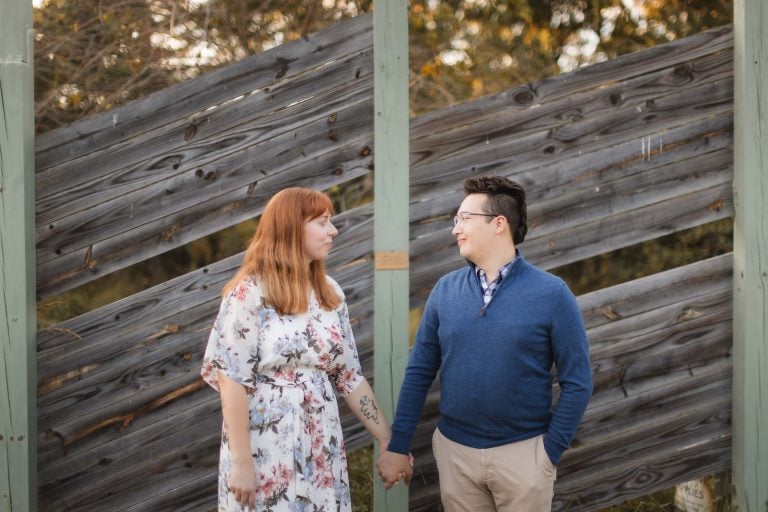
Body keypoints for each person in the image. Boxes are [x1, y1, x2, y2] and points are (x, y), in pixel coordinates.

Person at [377, 176, 593, 511]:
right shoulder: (445, 291)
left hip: (524, 457)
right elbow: (420, 372)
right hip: (455, 455)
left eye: (465, 218)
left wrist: (548, 454)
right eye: (455, 220)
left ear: (499, 224)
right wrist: (397, 445)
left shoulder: (552, 294)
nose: (455, 229)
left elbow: (578, 382)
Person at [201, 187, 402, 511]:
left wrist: (386, 437)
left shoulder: (330, 294)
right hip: (263, 447)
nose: (333, 230)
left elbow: (349, 377)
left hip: (321, 443)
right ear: (292, 228)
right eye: (323, 222)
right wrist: (241, 463)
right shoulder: (249, 293)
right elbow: (231, 380)